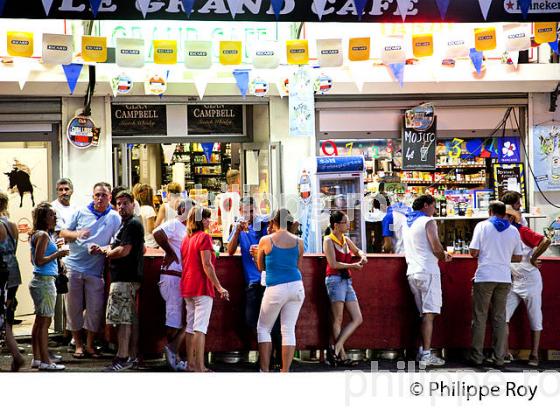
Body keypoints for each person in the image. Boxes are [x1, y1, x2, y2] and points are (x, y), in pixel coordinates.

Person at [60, 182, 121, 359]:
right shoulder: (81, 211)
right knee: (73, 308)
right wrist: (77, 234)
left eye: (103, 195)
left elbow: (116, 243)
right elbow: (64, 232)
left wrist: (102, 248)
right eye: (97, 195)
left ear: (110, 197)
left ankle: (90, 344)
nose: (100, 198)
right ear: (92, 196)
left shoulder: (114, 217)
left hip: (95, 269)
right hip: (74, 266)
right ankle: (78, 344)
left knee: (95, 309)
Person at [90, 191, 145, 372]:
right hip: (124, 278)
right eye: (119, 204)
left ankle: (123, 357)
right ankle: (132, 355)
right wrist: (103, 249)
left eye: (125, 203)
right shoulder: (126, 224)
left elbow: (124, 250)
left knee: (123, 320)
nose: (121, 207)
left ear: (132, 203)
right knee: (129, 318)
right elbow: (130, 247)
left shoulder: (133, 224)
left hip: (125, 278)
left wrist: (107, 253)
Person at [226, 196, 281, 366]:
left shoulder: (265, 224)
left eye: (252, 210)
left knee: (273, 322)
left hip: (269, 279)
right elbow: (229, 251)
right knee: (252, 320)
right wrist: (237, 230)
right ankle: (267, 355)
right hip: (252, 281)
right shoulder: (238, 227)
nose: (249, 214)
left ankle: (274, 359)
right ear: (240, 211)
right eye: (245, 211)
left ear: (256, 209)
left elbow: (279, 232)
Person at [469, 201, 523, 367]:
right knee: (500, 318)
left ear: (490, 211)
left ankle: (477, 357)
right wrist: (504, 256)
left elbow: (473, 252)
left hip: (485, 276)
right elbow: (519, 257)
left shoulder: (482, 226)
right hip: (504, 277)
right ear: (503, 212)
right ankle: (499, 358)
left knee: (480, 317)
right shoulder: (513, 230)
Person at [402, 194, 452, 366]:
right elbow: (436, 246)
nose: (435, 210)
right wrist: (444, 255)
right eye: (433, 206)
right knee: (429, 314)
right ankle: (426, 355)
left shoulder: (407, 223)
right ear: (426, 205)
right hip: (428, 271)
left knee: (422, 314)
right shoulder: (427, 222)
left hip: (412, 272)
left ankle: (421, 352)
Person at [181, 206, 229, 372]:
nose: (210, 221)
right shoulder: (204, 238)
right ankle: (200, 367)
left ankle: (191, 364)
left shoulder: (186, 239)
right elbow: (207, 265)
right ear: (201, 220)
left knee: (190, 327)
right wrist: (220, 287)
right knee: (200, 328)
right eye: (207, 218)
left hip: (187, 286)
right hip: (202, 286)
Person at [256, 208, 305, 372]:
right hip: (296, 286)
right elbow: (297, 265)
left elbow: (260, 267)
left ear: (273, 222)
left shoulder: (266, 240)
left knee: (263, 328)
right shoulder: (298, 241)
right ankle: (285, 371)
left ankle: (265, 371)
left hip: (275, 287)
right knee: (288, 330)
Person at [504, 206, 551, 367]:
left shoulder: (522, 231)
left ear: (510, 218)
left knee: (535, 317)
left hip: (531, 281)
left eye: (503, 216)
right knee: (503, 316)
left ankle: (535, 354)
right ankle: (505, 353)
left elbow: (546, 240)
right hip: (514, 280)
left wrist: (534, 258)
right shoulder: (504, 233)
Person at [153, 198, 194, 371]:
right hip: (172, 277)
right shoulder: (174, 225)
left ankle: (174, 353)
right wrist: (170, 253)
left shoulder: (187, 229)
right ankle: (172, 354)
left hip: (180, 276)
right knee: (174, 318)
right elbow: (156, 232)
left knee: (180, 317)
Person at [323, 210, 367, 367]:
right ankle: (341, 355)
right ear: (336, 225)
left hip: (345, 280)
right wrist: (353, 266)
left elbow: (358, 251)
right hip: (335, 280)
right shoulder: (328, 240)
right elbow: (333, 264)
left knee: (357, 318)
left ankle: (335, 349)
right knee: (338, 318)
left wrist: (362, 256)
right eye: (345, 222)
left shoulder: (346, 239)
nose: (348, 225)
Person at [29, 202, 69, 371]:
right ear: (44, 218)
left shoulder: (38, 234)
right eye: (52, 215)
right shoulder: (44, 236)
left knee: (39, 322)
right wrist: (58, 254)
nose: (55, 218)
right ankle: (46, 360)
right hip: (45, 281)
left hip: (40, 280)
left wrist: (54, 254)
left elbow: (35, 259)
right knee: (45, 322)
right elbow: (39, 260)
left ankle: (37, 357)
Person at [0, 192, 24, 371]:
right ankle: (15, 353)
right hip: (13, 271)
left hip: (1, 273)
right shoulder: (12, 225)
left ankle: (16, 353)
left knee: (3, 315)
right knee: (7, 313)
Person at [216, 169, 241, 246]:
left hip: (226, 238)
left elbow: (219, 221)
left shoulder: (221, 197)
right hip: (239, 237)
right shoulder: (240, 196)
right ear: (238, 180)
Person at [133, 183, 158, 248]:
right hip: (150, 244)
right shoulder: (149, 209)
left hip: (139, 243)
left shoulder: (133, 209)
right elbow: (150, 230)